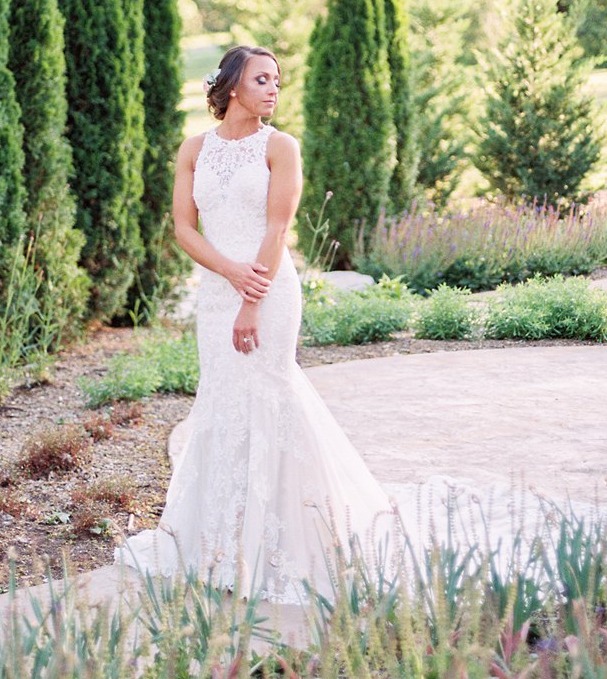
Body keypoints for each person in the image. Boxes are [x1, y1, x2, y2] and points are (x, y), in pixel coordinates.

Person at [115, 44, 396, 602]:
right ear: (231, 86)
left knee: (271, 394)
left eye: (277, 80)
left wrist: (250, 296)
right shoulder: (194, 150)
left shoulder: (281, 147)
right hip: (219, 291)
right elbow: (183, 228)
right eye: (262, 78)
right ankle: (218, 537)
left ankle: (293, 534)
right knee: (221, 400)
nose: (273, 88)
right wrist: (228, 275)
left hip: (267, 290)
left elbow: (277, 228)